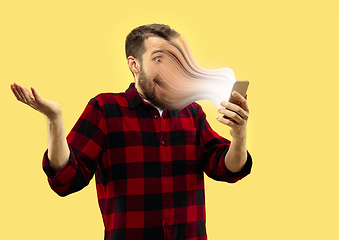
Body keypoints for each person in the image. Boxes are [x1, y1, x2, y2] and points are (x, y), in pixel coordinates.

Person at [10, 24, 252, 240]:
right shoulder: (105, 109)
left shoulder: (192, 112)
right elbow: (66, 179)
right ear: (134, 64)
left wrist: (239, 134)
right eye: (159, 59)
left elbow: (227, 169)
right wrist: (54, 120)